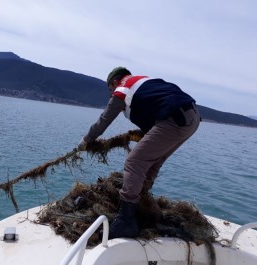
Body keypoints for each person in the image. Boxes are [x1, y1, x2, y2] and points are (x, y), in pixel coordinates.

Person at [77, 67, 201, 239]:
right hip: (191, 118)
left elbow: (105, 119)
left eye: (110, 89)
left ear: (114, 82)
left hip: (174, 118)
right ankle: (141, 204)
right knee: (153, 162)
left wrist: (87, 140)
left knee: (134, 162)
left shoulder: (122, 90)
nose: (111, 93)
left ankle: (126, 219)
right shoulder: (143, 82)